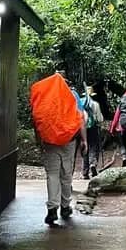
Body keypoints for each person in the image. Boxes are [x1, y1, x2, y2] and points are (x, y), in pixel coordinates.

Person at [30, 71, 88, 226]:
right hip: (69, 140)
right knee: (66, 174)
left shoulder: (45, 94)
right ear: (66, 81)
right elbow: (80, 119)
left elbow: (37, 118)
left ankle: (52, 209)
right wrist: (84, 140)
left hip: (49, 140)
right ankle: (65, 206)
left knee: (52, 174)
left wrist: (39, 139)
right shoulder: (72, 94)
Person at [81, 86, 104, 180]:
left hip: (82, 128)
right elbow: (100, 119)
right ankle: (93, 164)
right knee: (93, 146)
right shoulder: (95, 104)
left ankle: (85, 172)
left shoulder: (80, 103)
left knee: (84, 148)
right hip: (93, 128)